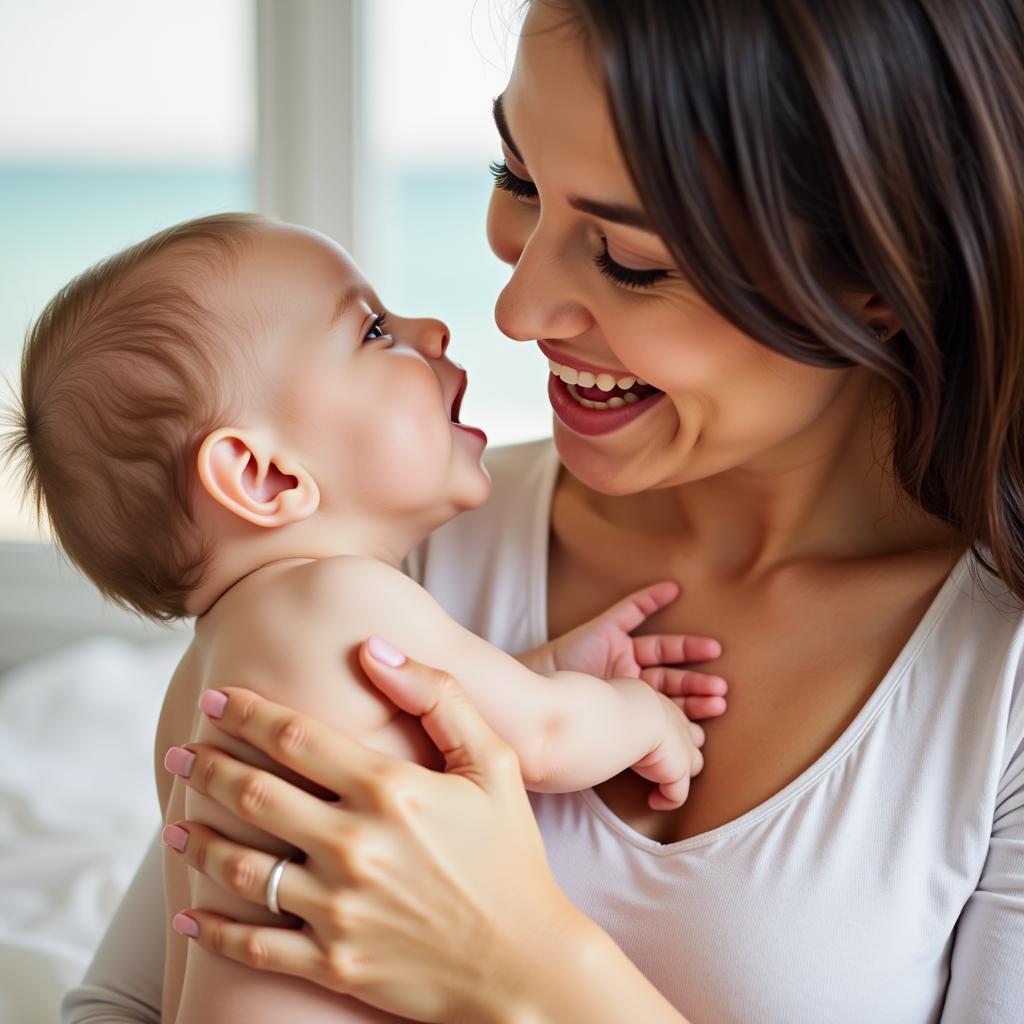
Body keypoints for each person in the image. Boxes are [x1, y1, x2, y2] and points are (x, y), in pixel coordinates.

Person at [63, 0, 1024, 1020]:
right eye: (516, 178)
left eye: (631, 257)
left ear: (880, 273)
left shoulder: (993, 681)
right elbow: (125, 1002)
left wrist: (524, 970)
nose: (514, 312)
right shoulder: (388, 541)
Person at [6, 211, 731, 1022]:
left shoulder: (201, 681)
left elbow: (404, 724)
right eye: (374, 330)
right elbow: (548, 739)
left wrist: (537, 668)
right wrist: (640, 715)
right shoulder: (342, 596)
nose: (431, 328)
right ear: (263, 476)